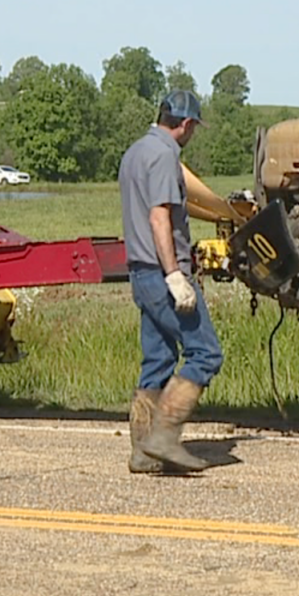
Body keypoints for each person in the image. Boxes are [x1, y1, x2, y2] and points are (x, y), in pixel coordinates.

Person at [118, 90, 221, 473]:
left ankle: (143, 452)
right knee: (206, 353)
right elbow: (159, 217)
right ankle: (163, 437)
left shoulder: (135, 152)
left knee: (158, 360)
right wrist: (175, 275)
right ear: (187, 123)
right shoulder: (164, 156)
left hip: (140, 273)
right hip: (162, 274)